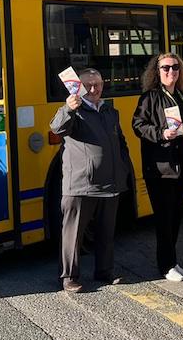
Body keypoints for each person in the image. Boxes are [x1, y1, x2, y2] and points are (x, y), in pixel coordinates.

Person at [50, 68, 133, 293]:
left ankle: (104, 271)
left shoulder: (109, 111)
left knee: (106, 232)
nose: (94, 89)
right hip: (80, 185)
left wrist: (123, 168)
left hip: (110, 183)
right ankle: (69, 277)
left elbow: (120, 142)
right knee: (72, 234)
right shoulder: (73, 110)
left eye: (98, 84)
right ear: (81, 86)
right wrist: (68, 108)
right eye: (89, 85)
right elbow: (56, 127)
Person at [132, 53, 183, 282]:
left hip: (180, 166)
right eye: (165, 68)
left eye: (175, 68)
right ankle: (165, 265)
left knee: (175, 216)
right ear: (156, 71)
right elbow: (138, 125)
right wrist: (161, 133)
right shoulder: (149, 98)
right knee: (164, 218)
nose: (171, 72)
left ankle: (172, 261)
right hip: (159, 168)